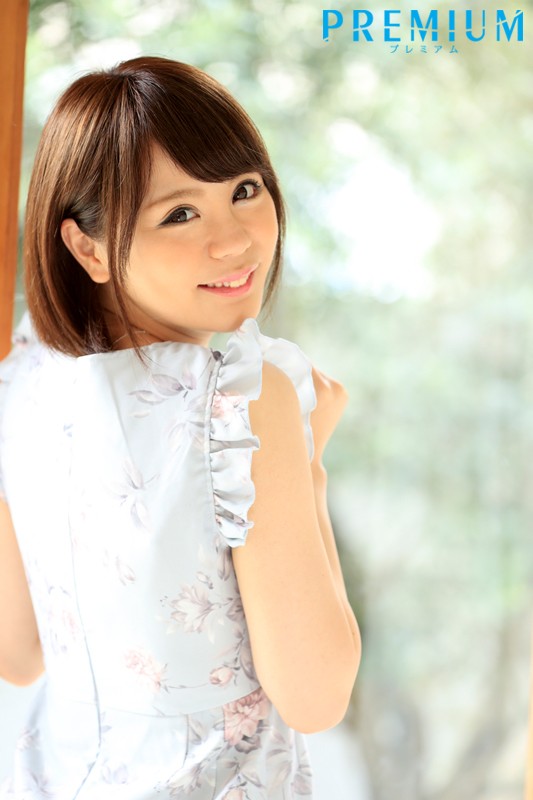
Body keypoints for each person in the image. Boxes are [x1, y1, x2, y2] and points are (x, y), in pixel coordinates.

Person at [0, 56, 360, 799]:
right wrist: (307, 460)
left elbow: (17, 653)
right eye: (180, 214)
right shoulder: (240, 398)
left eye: (244, 190)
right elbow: (316, 695)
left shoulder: (23, 380)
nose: (236, 241)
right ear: (87, 247)